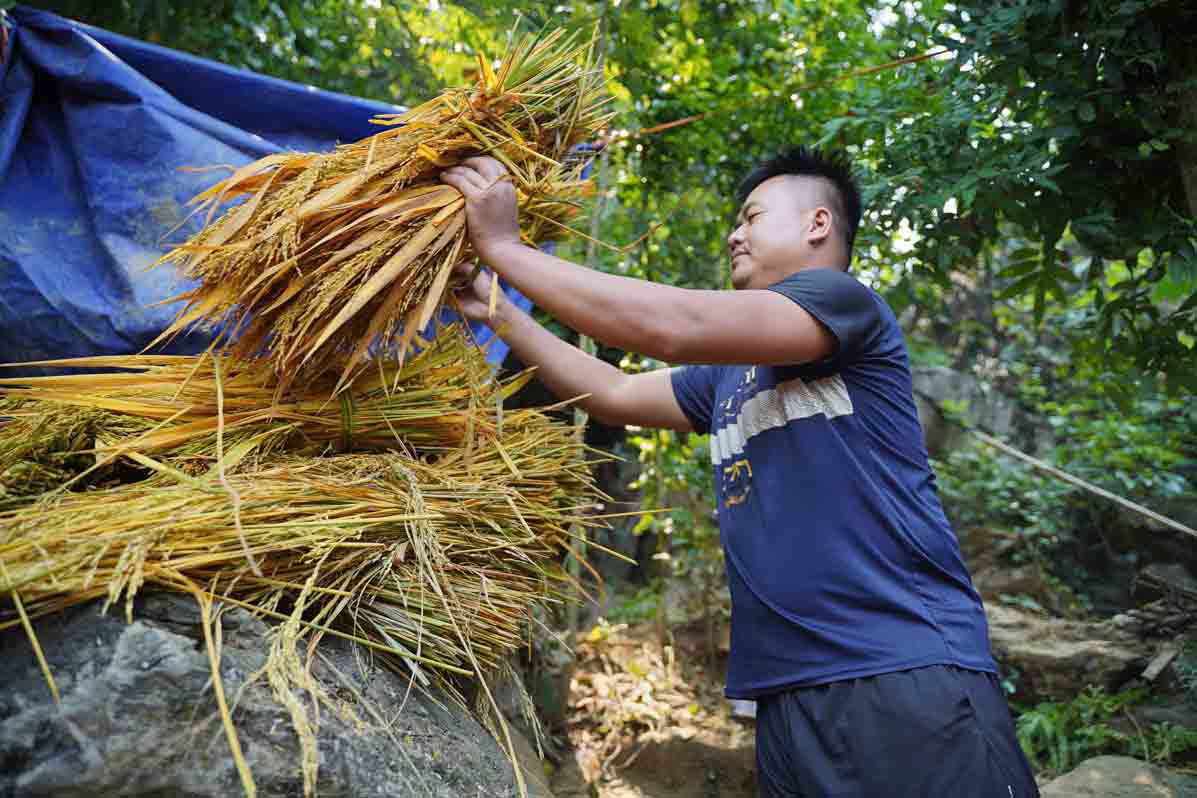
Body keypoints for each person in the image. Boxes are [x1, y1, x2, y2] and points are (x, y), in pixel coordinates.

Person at [440, 148, 1039, 797]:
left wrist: (504, 246)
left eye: (751, 216)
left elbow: (674, 327)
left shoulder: (842, 303)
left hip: (898, 671)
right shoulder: (727, 376)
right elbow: (614, 393)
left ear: (816, 224)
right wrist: (500, 311)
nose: (734, 232)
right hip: (784, 695)